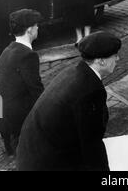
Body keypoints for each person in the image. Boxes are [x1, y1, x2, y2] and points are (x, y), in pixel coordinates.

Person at [16, 31, 121, 171]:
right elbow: (92, 145)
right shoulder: (91, 90)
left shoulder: (75, 70)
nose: (118, 59)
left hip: (31, 152)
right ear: (101, 60)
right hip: (47, 163)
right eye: (115, 56)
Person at [0, 9, 44, 155]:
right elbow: (36, 89)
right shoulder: (28, 55)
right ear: (30, 30)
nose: (38, 28)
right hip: (20, 119)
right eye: (36, 25)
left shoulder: (7, 50)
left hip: (5, 116)